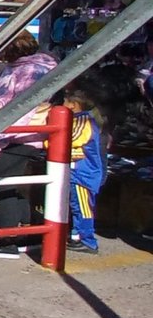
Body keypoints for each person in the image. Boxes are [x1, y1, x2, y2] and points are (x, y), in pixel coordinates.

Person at [0, 31, 57, 259]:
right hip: (30, 133)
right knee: (14, 184)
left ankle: (7, 239)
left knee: (3, 184)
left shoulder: (26, 71)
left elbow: (20, 108)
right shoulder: (43, 65)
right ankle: (26, 232)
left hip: (17, 133)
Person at [65, 89, 104, 255]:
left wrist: (48, 142)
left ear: (74, 105)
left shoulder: (83, 121)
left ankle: (88, 240)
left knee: (83, 207)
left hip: (84, 173)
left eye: (64, 102)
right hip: (78, 172)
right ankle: (77, 235)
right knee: (76, 205)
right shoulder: (78, 119)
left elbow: (73, 140)